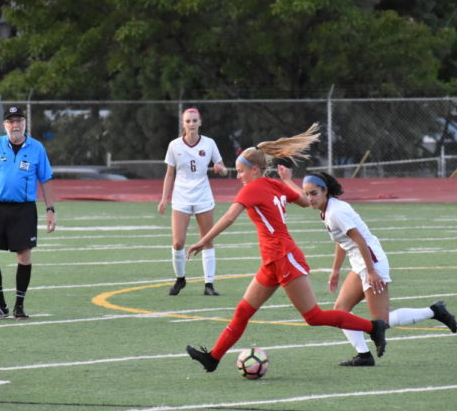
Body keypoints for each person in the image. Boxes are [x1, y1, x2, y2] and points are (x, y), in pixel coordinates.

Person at [185, 124, 388, 372]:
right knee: (242, 311)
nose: (238, 176)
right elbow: (304, 202)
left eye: (240, 171)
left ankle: (373, 328)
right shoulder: (274, 184)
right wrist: (288, 182)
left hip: (284, 256)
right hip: (272, 261)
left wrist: (203, 240)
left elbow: (229, 217)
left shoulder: (253, 187)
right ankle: (213, 358)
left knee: (313, 316)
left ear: (254, 170)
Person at [280, 169, 457, 367]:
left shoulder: (335, 212)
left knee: (382, 322)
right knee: (341, 310)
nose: (309, 198)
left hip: (371, 263)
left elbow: (360, 241)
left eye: (314, 193)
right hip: (361, 264)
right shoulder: (328, 209)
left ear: (325, 191)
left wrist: (372, 272)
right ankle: (364, 355)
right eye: (307, 193)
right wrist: (336, 270)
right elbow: (342, 240)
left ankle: (434, 311)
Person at [0, 105, 56, 319]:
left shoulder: (37, 148)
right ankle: (0, 305)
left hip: (24, 208)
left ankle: (19, 305)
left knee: (24, 255)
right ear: (5, 125)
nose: (15, 125)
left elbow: (45, 180)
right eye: (11, 121)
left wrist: (50, 209)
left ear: (25, 124)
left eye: (19, 121)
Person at [158, 107, 227, 296]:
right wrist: (164, 198)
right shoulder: (174, 145)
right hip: (181, 197)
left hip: (203, 196)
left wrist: (220, 169)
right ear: (183, 123)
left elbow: (223, 168)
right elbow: (169, 173)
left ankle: (209, 284)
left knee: (207, 240)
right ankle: (180, 279)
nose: (191, 124)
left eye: (194, 121)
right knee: (178, 242)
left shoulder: (209, 143)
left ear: (200, 122)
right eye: (188, 121)